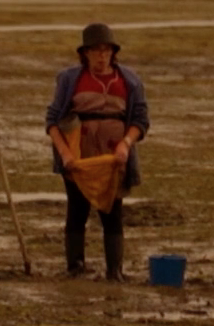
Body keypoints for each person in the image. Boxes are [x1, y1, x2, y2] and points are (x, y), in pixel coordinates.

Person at [44, 23, 149, 280]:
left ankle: (115, 270)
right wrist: (66, 154)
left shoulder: (130, 81)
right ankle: (75, 267)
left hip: (114, 159)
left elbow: (140, 121)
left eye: (107, 50)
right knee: (77, 210)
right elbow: (53, 122)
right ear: (85, 53)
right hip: (79, 157)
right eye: (96, 50)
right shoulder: (70, 79)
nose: (102, 56)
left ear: (113, 52)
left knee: (112, 213)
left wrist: (126, 144)